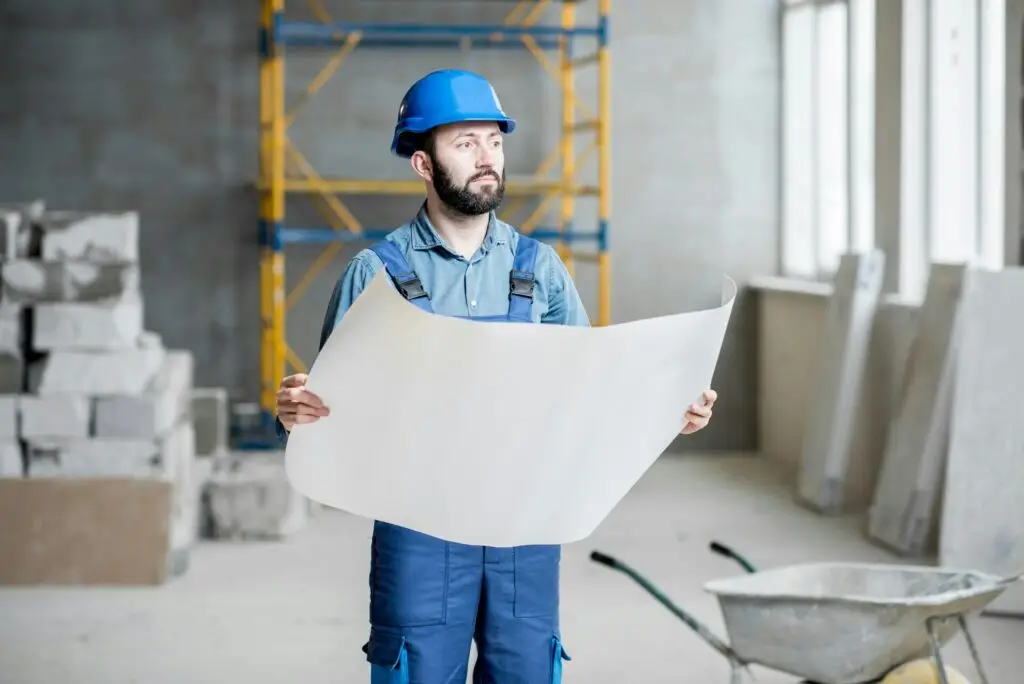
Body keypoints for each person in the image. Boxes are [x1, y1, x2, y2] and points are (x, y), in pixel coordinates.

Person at [275, 69, 718, 684]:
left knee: (528, 673)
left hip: (526, 520)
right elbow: (331, 416)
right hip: (420, 525)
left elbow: (593, 391)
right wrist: (295, 414)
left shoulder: (540, 271)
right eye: (465, 144)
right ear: (424, 164)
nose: (488, 159)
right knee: (417, 672)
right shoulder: (375, 275)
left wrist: (673, 407)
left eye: (495, 141)